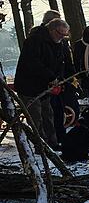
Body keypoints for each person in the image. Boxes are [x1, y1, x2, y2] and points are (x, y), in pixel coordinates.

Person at [14, 18, 71, 148]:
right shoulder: (35, 41)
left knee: (48, 115)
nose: (62, 37)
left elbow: (60, 63)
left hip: (45, 86)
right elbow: (33, 63)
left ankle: (53, 143)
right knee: (36, 118)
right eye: (60, 34)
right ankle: (41, 145)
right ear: (51, 29)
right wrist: (51, 77)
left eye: (64, 35)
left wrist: (59, 78)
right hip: (29, 86)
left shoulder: (58, 43)